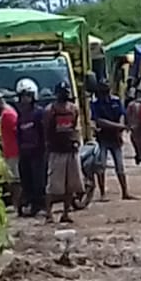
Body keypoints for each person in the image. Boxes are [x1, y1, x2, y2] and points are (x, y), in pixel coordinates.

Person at [43, 81, 85, 223]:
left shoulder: (74, 109)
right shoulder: (50, 110)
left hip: (71, 151)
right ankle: (49, 214)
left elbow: (76, 128)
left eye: (66, 92)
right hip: (56, 151)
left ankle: (66, 213)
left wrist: (76, 142)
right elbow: (46, 131)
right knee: (53, 186)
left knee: (71, 185)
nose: (64, 94)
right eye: (62, 92)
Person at [89, 79, 135, 201]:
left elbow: (121, 115)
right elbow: (99, 121)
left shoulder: (115, 101)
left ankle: (125, 192)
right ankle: (103, 193)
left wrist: (119, 128)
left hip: (114, 138)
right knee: (101, 166)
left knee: (120, 166)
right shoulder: (96, 104)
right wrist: (119, 127)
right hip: (103, 138)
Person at [14, 79, 46, 217]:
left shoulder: (39, 113)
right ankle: (29, 202)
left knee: (38, 181)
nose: (24, 99)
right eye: (22, 96)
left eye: (27, 96)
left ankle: (41, 205)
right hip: (25, 153)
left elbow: (43, 133)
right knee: (26, 180)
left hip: (38, 153)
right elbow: (19, 135)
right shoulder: (21, 116)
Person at [0, 91, 21, 213]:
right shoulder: (7, 112)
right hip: (9, 151)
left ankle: (17, 204)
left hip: (13, 151)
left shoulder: (8, 114)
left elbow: (16, 131)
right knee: (12, 179)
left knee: (15, 180)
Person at [125, 88, 141, 165]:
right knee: (140, 141)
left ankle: (139, 154)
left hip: (135, 126)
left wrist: (128, 125)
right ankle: (140, 154)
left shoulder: (132, 104)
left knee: (136, 141)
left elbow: (128, 115)